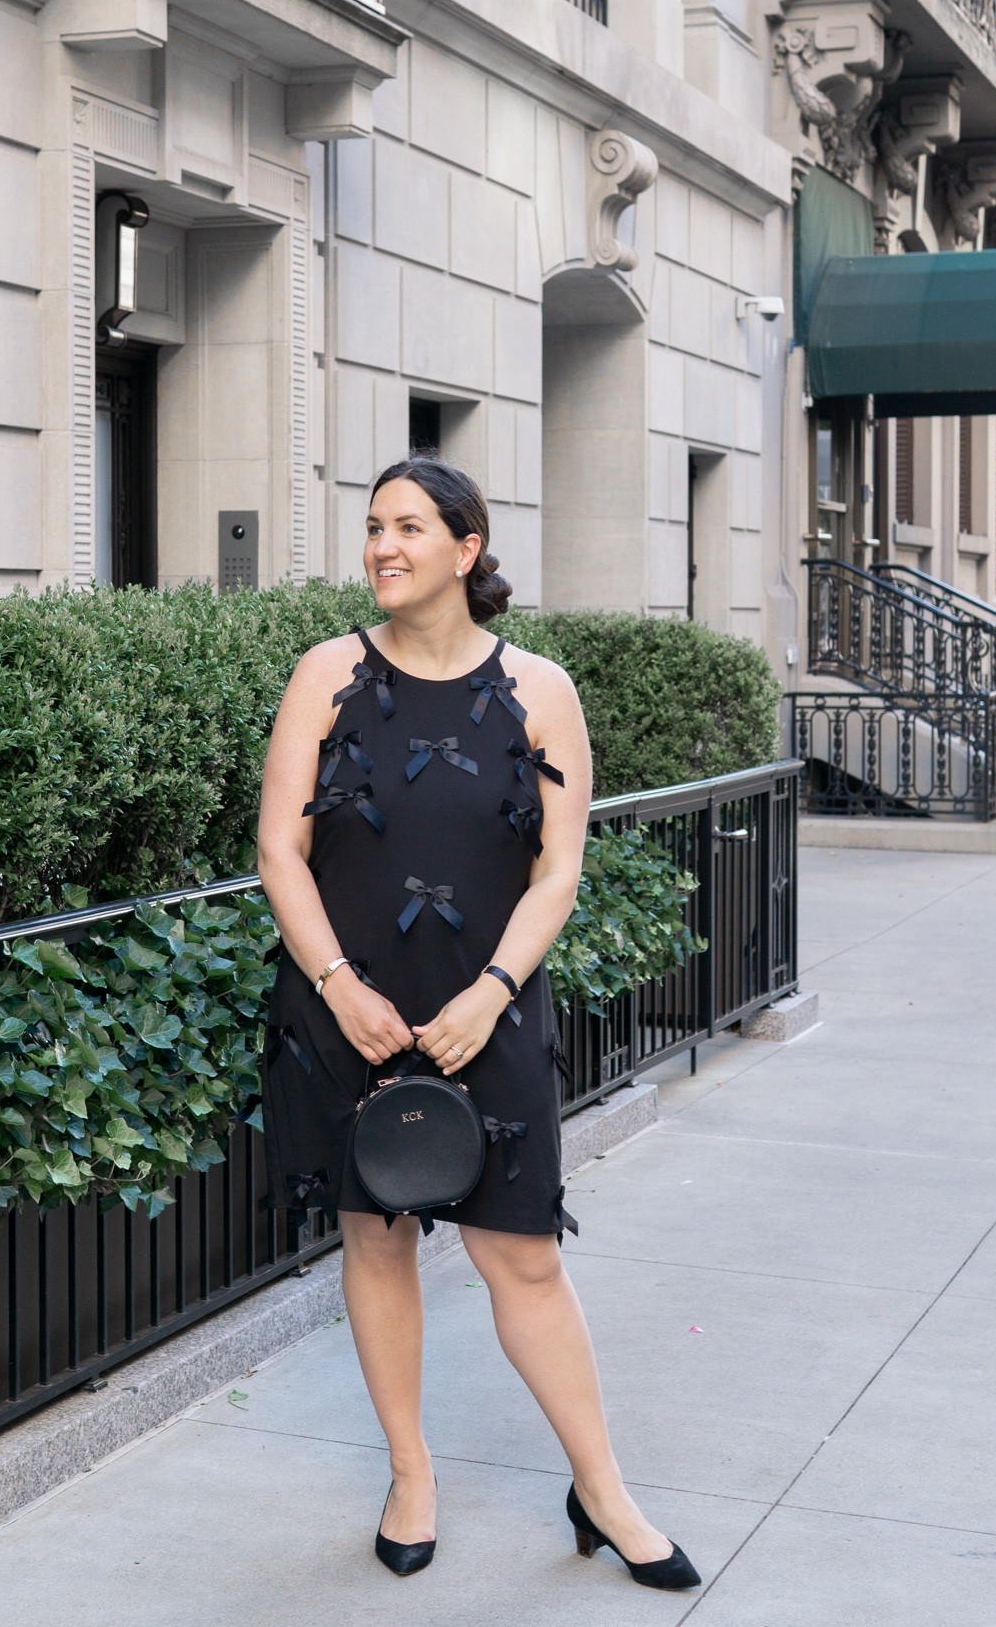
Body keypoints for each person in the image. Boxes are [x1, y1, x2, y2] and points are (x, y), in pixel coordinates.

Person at [256, 455, 700, 1591]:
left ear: (466, 548)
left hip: (487, 1005)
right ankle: (411, 1475)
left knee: (523, 1255)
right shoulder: (325, 675)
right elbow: (279, 852)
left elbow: (558, 869)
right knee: (376, 1236)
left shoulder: (540, 689)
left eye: (409, 527)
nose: (382, 546)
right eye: (373, 526)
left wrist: (492, 990)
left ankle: (601, 1489)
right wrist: (337, 985)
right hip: (345, 1007)